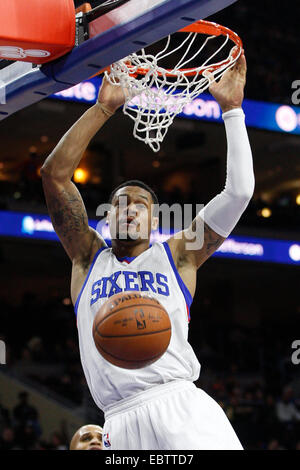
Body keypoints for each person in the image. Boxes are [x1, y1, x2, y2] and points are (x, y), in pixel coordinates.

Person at [41, 50, 254, 450]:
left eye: (140, 204)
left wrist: (232, 112)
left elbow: (239, 192)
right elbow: (54, 175)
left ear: (155, 221)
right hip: (117, 424)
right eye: (120, 203)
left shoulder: (178, 255)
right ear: (106, 218)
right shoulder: (88, 258)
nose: (129, 209)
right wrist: (103, 108)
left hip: (179, 408)